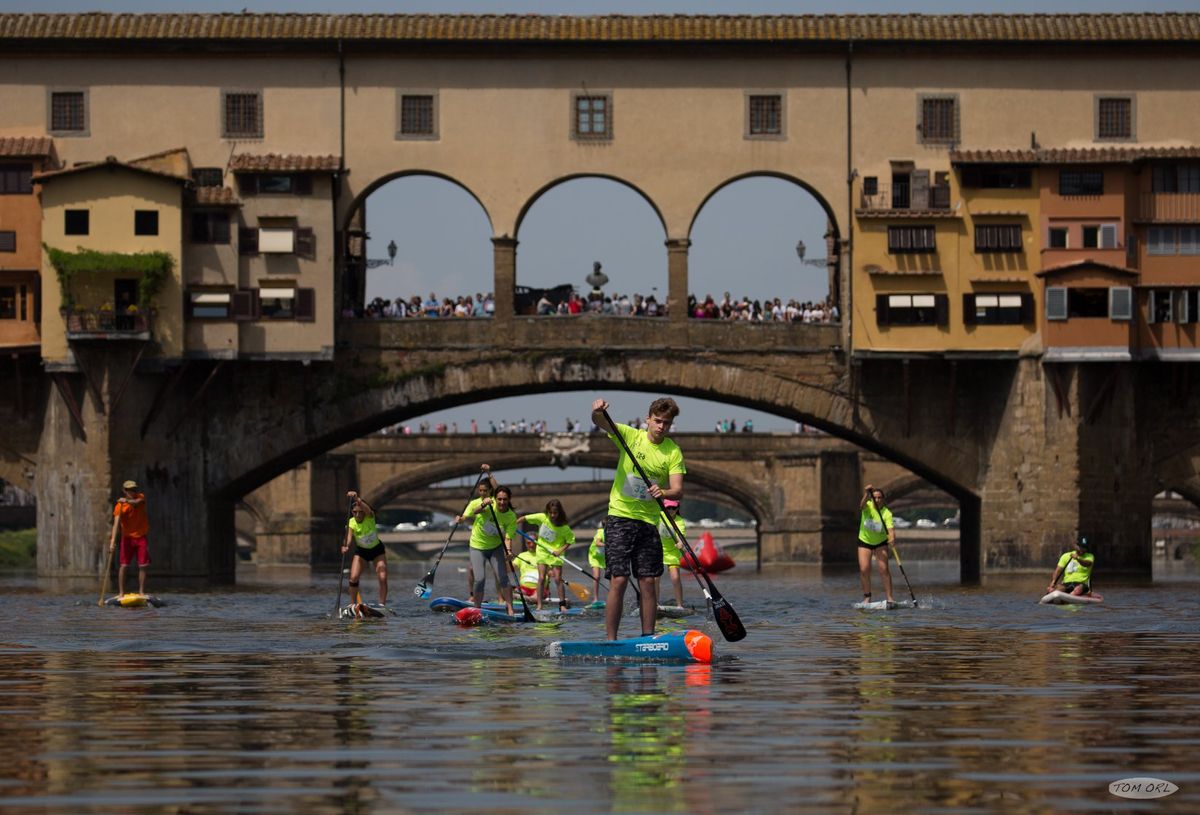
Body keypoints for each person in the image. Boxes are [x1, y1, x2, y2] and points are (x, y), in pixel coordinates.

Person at [591, 396, 686, 640]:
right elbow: (601, 422)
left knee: (647, 581)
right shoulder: (631, 436)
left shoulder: (673, 451)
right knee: (620, 579)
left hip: (648, 522)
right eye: (657, 421)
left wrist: (663, 492)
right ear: (648, 419)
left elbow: (677, 489)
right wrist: (598, 411)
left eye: (666, 423)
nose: (661, 427)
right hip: (621, 517)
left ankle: (647, 638)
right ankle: (611, 640)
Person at [456, 477, 517, 616]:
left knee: (503, 578)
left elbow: (508, 538)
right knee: (480, 579)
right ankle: (476, 609)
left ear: (509, 500)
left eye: (505, 500)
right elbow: (475, 511)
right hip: (478, 546)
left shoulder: (511, 517)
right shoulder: (490, 504)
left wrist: (508, 551)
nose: (502, 502)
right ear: (496, 498)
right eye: (499, 499)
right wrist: (484, 505)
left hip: (495, 547)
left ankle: (510, 609)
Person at [517, 499, 576, 611]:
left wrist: (559, 550)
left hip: (556, 554)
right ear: (547, 511)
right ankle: (539, 605)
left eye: (555, 513)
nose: (553, 515)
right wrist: (513, 524)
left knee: (558, 579)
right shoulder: (542, 518)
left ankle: (562, 605)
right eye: (551, 513)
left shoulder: (564, 527)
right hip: (542, 551)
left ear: (559, 513)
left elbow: (570, 541)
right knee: (542, 578)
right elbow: (524, 518)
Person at [341, 490, 387, 606]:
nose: (358, 515)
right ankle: (353, 604)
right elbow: (349, 538)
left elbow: (367, 509)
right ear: (352, 512)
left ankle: (382, 605)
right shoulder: (351, 522)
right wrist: (345, 546)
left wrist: (357, 499)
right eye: (355, 512)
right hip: (362, 552)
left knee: (382, 576)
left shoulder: (370, 517)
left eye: (360, 512)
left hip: (377, 550)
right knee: (353, 577)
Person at [109, 479, 150, 597]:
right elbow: (116, 524)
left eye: (134, 489)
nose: (132, 492)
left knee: (143, 565)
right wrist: (112, 541)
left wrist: (127, 500)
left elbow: (136, 502)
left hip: (141, 536)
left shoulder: (140, 497)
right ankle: (121, 593)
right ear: (124, 491)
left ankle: (141, 592)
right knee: (124, 565)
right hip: (127, 538)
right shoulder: (119, 507)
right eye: (129, 490)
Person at [857, 484, 895, 605]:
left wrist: (892, 539)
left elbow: (890, 530)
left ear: (883, 499)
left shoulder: (887, 513)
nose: (877, 500)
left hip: (880, 542)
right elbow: (861, 505)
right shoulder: (867, 506)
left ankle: (889, 598)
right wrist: (867, 494)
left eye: (879, 498)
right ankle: (867, 597)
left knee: (884, 569)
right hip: (865, 541)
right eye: (875, 498)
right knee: (864, 569)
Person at [657, 499, 687, 609]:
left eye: (673, 508)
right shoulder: (659, 515)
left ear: (677, 508)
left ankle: (679, 605)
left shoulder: (679, 521)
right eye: (668, 508)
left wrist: (680, 543)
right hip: (658, 550)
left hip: (672, 552)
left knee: (675, 577)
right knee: (655, 578)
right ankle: (655, 604)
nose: (670, 510)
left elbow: (681, 536)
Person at [512, 532, 542, 600]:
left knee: (537, 595)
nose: (531, 545)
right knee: (513, 591)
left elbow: (552, 572)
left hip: (538, 589)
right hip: (524, 589)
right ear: (525, 544)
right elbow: (508, 569)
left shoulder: (543, 556)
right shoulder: (521, 556)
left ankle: (529, 599)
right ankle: (529, 599)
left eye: (533, 543)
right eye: (528, 543)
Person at [588, 524, 607, 602]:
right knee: (596, 577)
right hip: (595, 556)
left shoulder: (614, 533)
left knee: (613, 577)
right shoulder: (600, 532)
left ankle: (613, 598)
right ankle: (595, 599)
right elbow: (597, 543)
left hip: (605, 557)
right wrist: (608, 545)